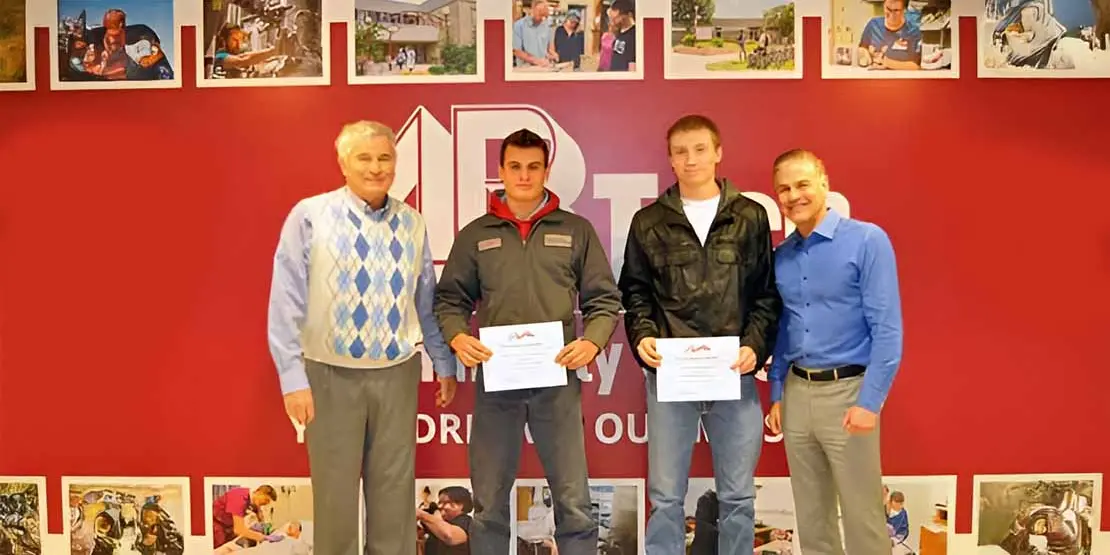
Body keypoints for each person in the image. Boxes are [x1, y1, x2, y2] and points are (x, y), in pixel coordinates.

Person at [267, 120, 458, 555]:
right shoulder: (310, 216)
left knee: (395, 492)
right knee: (334, 494)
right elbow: (285, 302)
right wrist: (292, 378)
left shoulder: (412, 222)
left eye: (385, 158)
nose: (376, 168)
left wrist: (442, 362)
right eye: (364, 158)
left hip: (396, 374)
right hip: (329, 374)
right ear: (343, 163)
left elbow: (424, 301)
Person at [434, 128, 622, 555]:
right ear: (500, 170)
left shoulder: (576, 230)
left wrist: (591, 343)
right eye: (514, 167)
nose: (523, 176)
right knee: (488, 503)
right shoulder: (476, 233)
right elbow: (449, 300)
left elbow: (605, 300)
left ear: (546, 170)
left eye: (533, 167)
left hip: (556, 383)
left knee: (574, 501)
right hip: (497, 384)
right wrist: (458, 336)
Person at [618, 114, 781, 555]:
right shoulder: (648, 222)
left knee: (738, 498)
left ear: (718, 152)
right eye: (680, 151)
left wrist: (754, 345)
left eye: (699, 149)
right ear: (670, 159)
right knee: (667, 497)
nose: (691, 160)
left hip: (735, 374)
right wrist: (642, 336)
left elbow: (766, 294)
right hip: (672, 376)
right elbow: (635, 293)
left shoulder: (750, 216)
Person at [765, 149, 904, 555]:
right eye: (784, 189)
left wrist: (870, 402)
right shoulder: (782, 257)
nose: (794, 196)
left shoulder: (867, 240)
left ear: (824, 183)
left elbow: (888, 331)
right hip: (796, 393)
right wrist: (776, 393)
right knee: (811, 517)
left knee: (862, 516)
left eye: (802, 184)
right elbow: (785, 330)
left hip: (849, 394)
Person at [211, 485, 280, 547]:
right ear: (258, 492)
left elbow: (260, 517)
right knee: (221, 546)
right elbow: (238, 530)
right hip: (215, 523)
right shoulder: (239, 498)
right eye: (266, 500)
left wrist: (267, 530)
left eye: (268, 502)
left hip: (227, 525)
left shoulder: (253, 501)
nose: (266, 503)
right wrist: (264, 537)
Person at [417, 486, 474, 555]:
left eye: (445, 502)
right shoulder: (442, 523)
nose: (440, 506)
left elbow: (450, 536)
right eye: (439, 502)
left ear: (460, 505)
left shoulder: (466, 522)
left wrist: (421, 514)